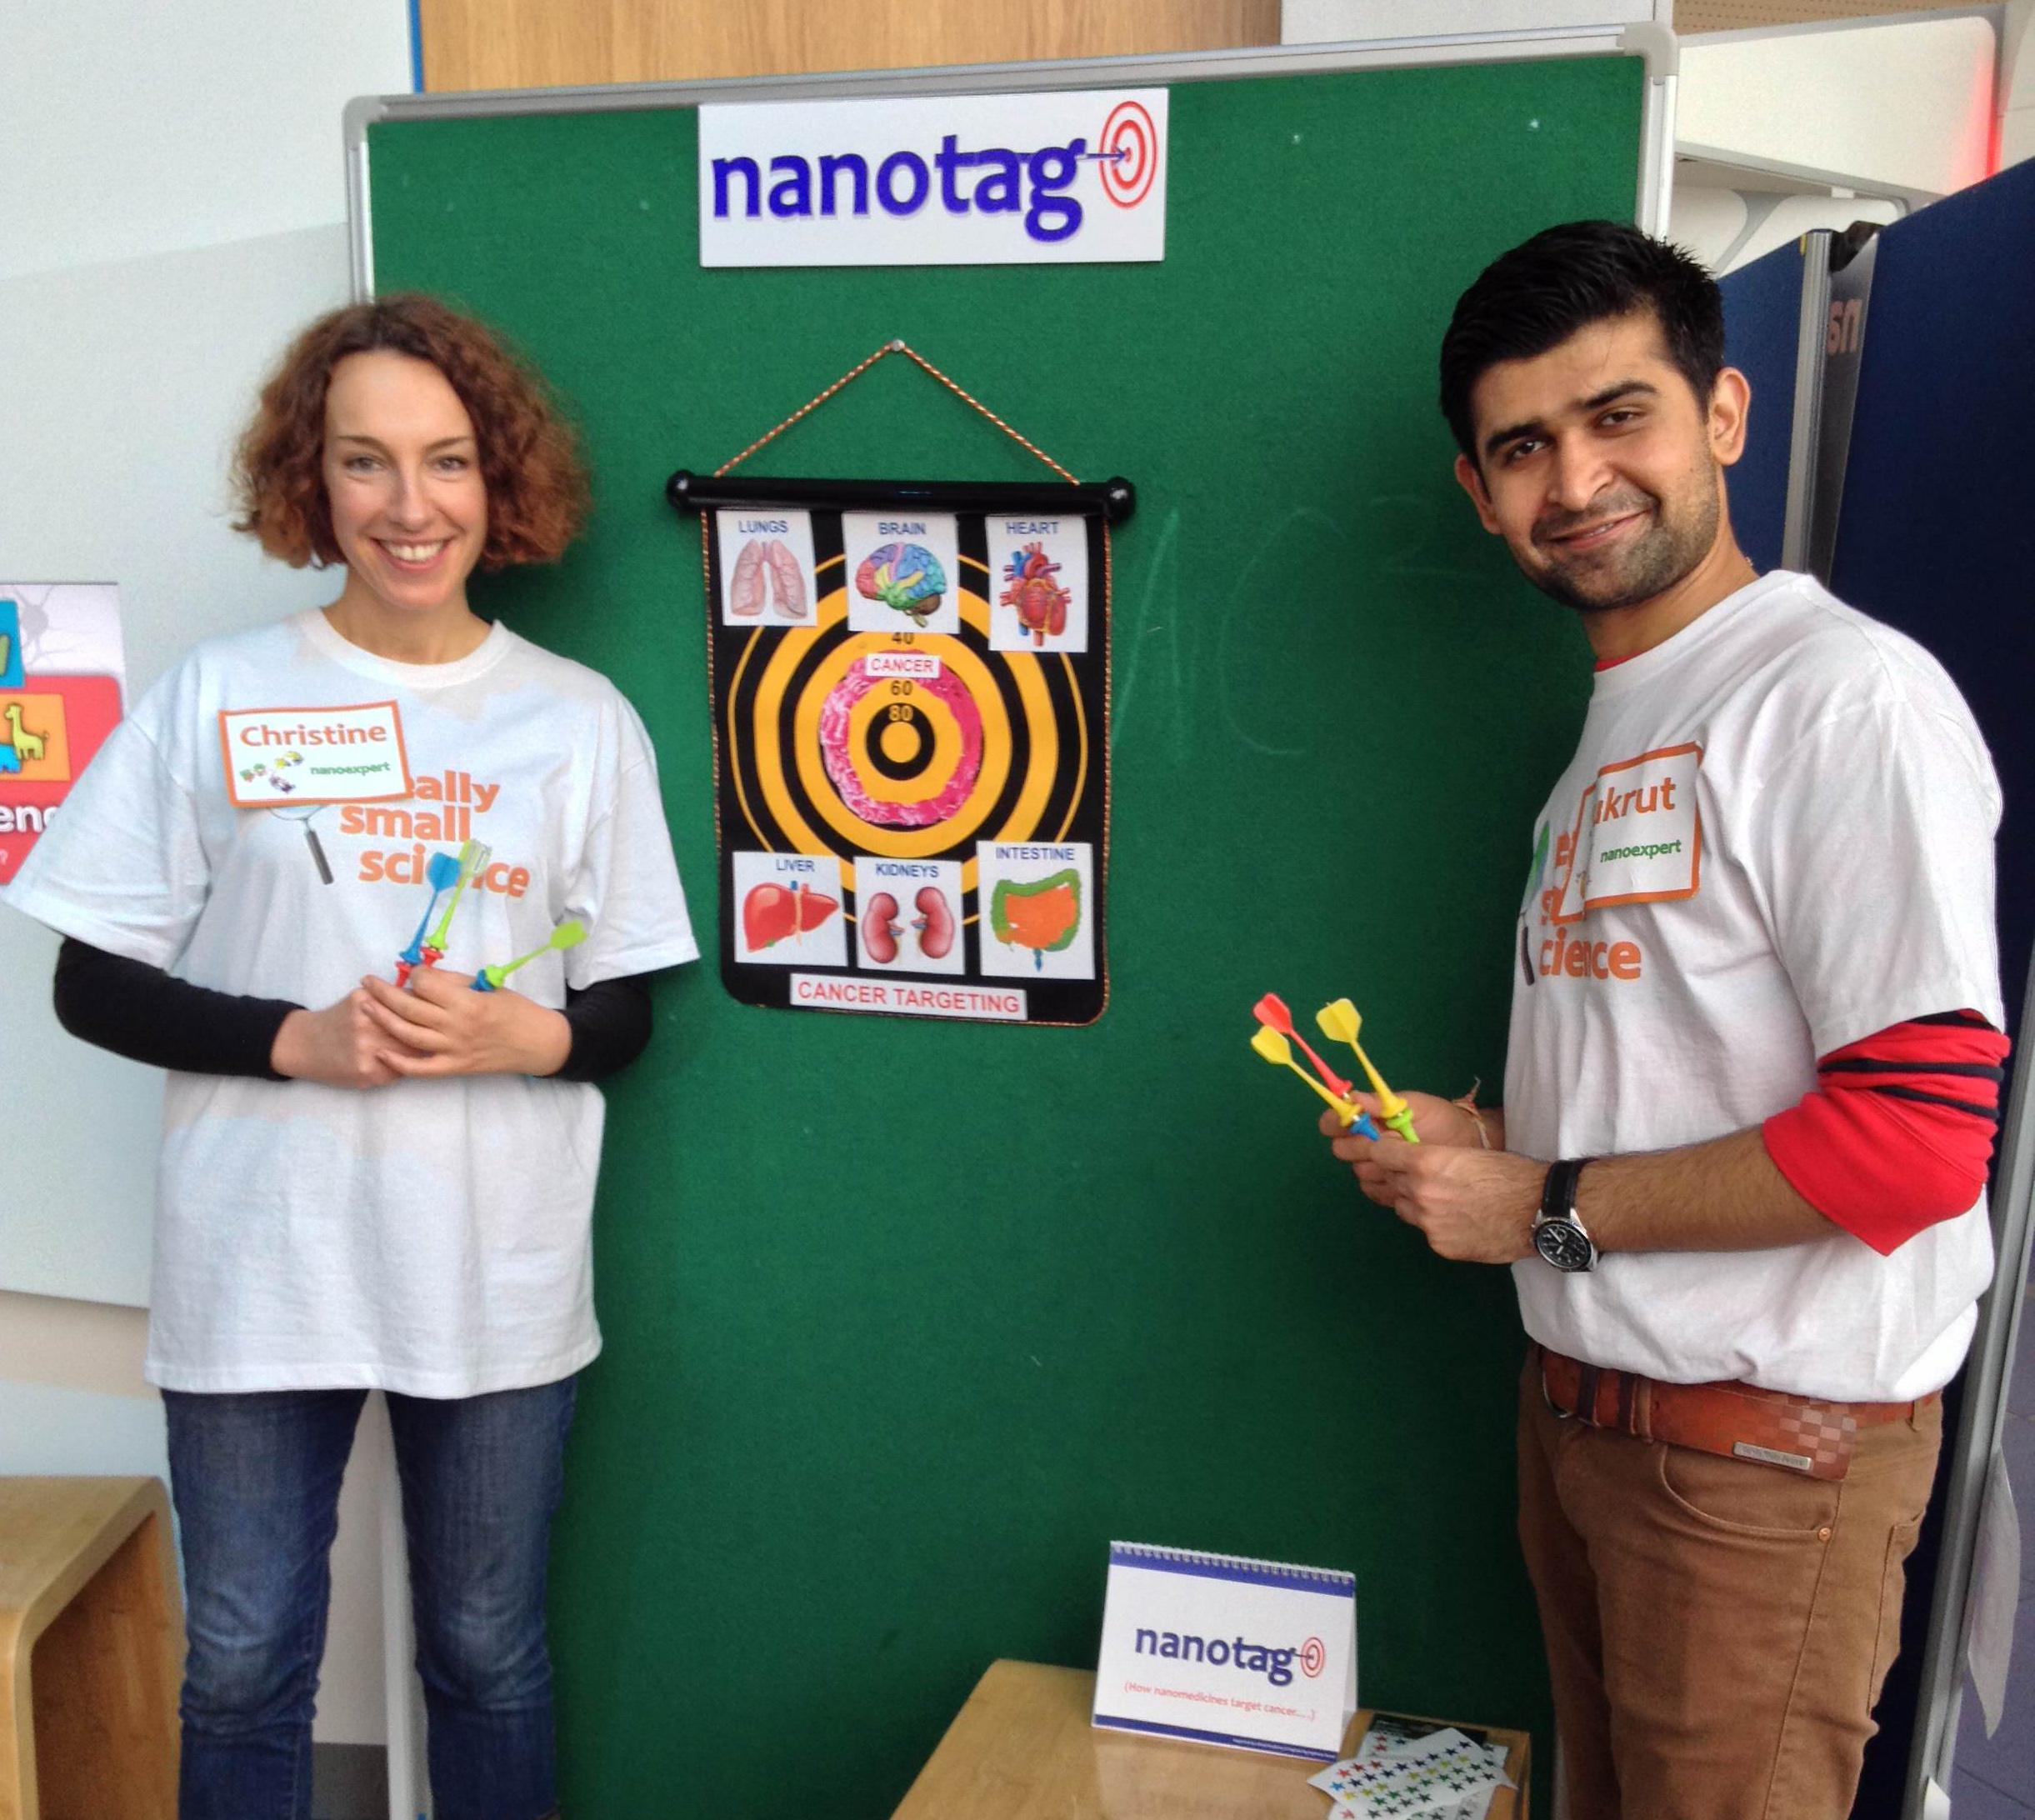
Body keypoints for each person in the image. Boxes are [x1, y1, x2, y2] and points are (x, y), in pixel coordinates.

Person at [1323, 222, 2007, 1819]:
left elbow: (1914, 1144)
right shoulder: (1617, 729)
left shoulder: (1837, 698)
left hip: (1757, 1468)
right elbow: (1695, 1074)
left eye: (1616, 414)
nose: (1574, 481)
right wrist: (1488, 1142)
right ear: (1477, 493)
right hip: (1589, 1439)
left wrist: (1536, 1206)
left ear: (1722, 414)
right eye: (1522, 447)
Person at [3, 294, 698, 1820]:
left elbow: (627, 1015)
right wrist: (294, 1040)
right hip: (262, 1266)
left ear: (497, 482)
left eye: (446, 461)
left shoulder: (577, 720)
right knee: (244, 1664)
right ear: (307, 480)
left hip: (493, 1269)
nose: (408, 505)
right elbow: (88, 983)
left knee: (487, 1654)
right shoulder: (216, 694)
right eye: (364, 460)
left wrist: (530, 1032)